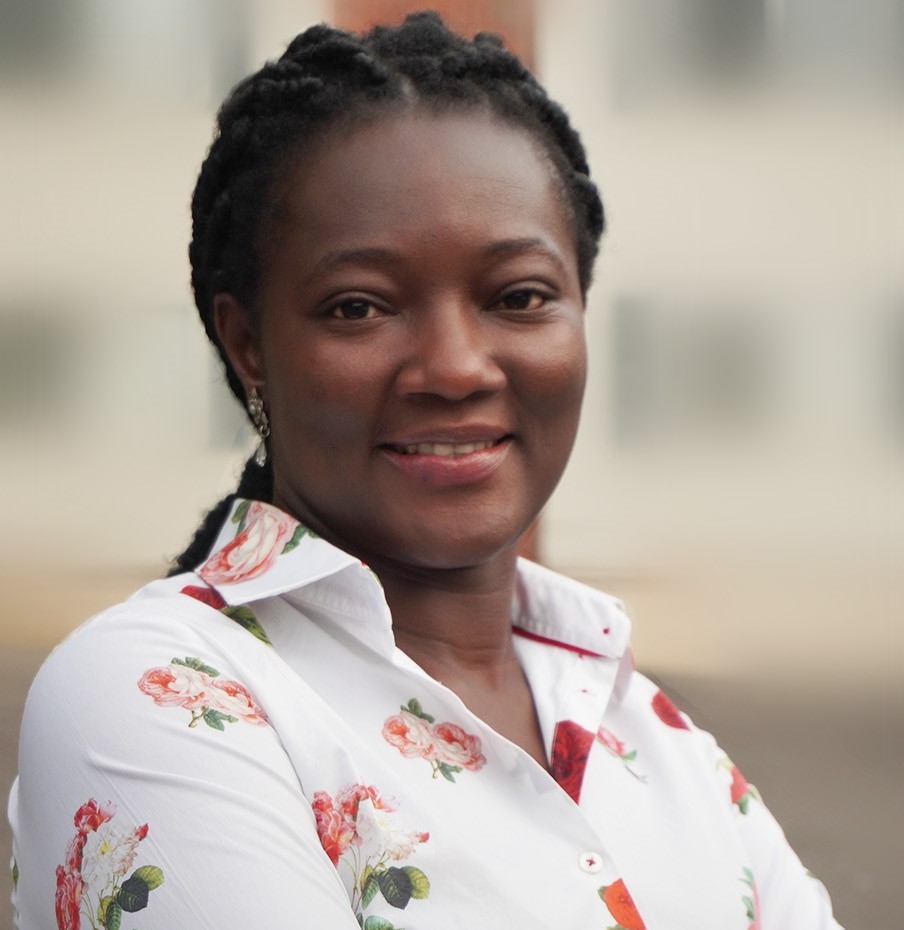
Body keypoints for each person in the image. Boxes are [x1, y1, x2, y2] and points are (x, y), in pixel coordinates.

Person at [9, 13, 842, 930]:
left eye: (519, 296)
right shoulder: (153, 695)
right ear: (248, 345)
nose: (456, 369)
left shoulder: (658, 742)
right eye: (359, 307)